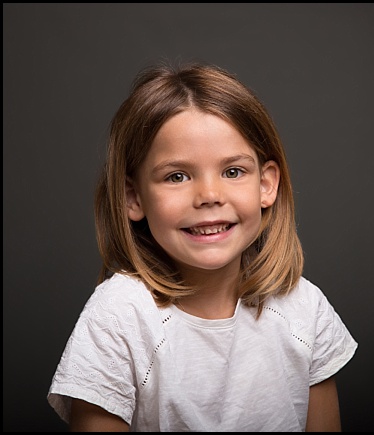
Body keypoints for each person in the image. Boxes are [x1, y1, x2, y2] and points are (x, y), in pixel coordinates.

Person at [46, 61, 358, 431]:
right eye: (177, 176)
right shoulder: (117, 319)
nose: (209, 195)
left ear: (266, 185)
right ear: (134, 197)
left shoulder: (306, 310)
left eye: (232, 171)